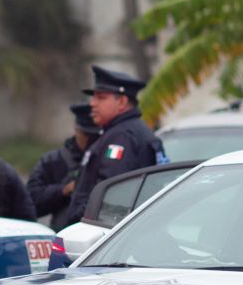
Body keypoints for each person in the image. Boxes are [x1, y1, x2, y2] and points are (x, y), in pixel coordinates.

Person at [67, 65, 167, 222]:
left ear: (121, 102)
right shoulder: (127, 131)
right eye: (94, 97)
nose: (92, 103)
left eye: (101, 98)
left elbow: (110, 195)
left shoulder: (122, 136)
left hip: (104, 230)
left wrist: (79, 219)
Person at [28, 102, 101, 230]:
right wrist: (63, 190)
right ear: (77, 131)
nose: (93, 141)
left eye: (97, 136)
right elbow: (31, 201)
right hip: (64, 235)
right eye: (88, 135)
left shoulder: (107, 159)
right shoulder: (53, 160)